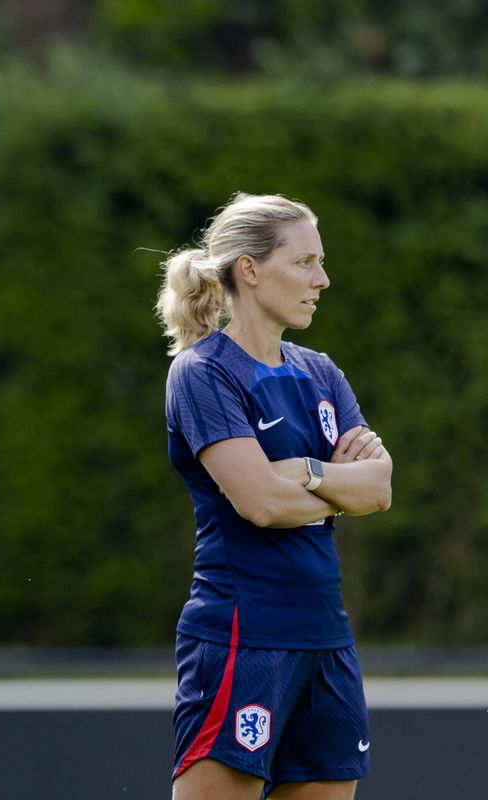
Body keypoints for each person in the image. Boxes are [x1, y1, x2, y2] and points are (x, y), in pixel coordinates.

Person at [156, 193, 393, 800]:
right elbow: (260, 503)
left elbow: (380, 488)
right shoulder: (203, 372)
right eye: (306, 262)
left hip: (327, 639)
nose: (323, 279)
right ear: (250, 269)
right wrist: (333, 487)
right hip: (243, 636)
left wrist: (306, 472)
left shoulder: (320, 371)